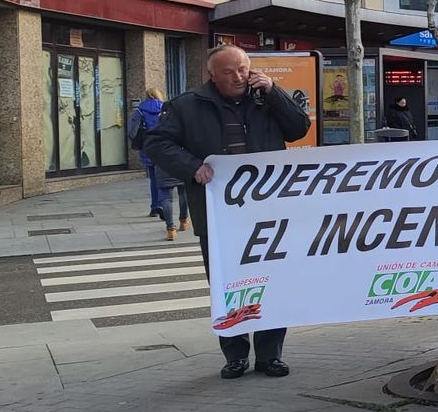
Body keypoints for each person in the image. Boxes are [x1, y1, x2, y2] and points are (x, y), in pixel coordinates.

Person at [143, 46, 312, 379]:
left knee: (272, 281)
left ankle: (270, 355)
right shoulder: (187, 105)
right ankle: (235, 355)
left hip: (268, 210)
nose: (239, 77)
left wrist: (275, 93)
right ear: (211, 75)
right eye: (229, 72)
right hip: (218, 213)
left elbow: (298, 129)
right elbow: (156, 143)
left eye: (243, 69)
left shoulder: (265, 98)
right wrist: (192, 167)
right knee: (227, 283)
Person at [129, 87, 189, 239]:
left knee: (162, 190)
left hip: (155, 154)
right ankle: (184, 221)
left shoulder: (141, 111)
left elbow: (132, 131)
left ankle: (166, 223)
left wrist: (141, 142)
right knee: (183, 191)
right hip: (178, 158)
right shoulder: (172, 113)